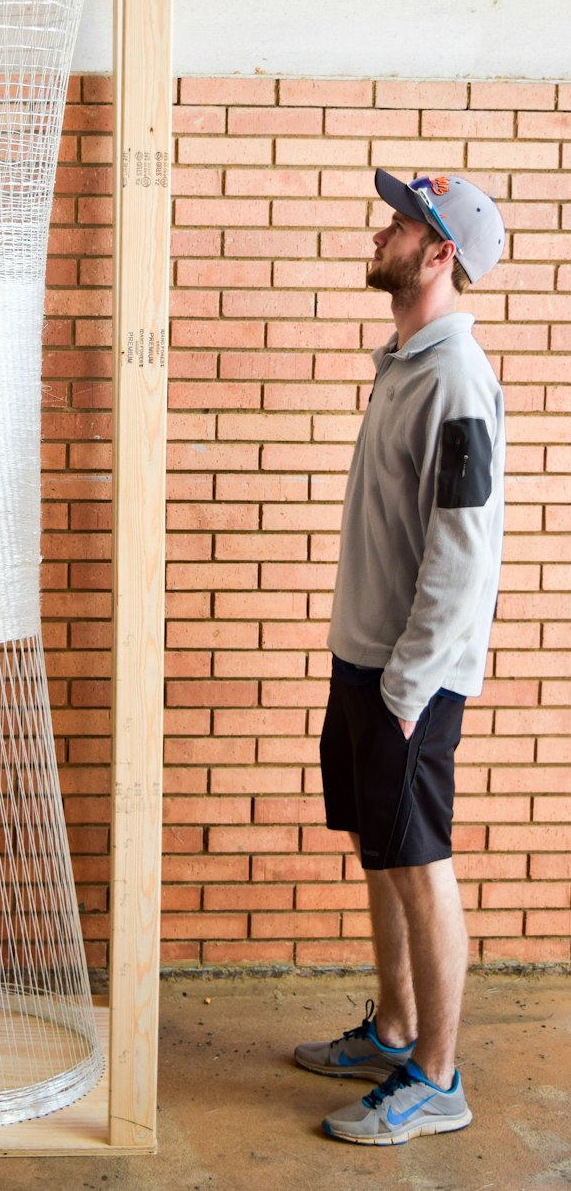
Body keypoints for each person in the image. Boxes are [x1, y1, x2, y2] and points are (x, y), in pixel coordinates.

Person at [295, 169, 506, 1146]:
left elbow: (462, 553)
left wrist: (410, 684)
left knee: (419, 864)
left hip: (407, 679)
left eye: (400, 223)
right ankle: (392, 1029)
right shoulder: (405, 362)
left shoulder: (457, 379)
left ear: (438, 253)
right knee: (380, 852)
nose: (381, 231)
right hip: (366, 661)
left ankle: (437, 1076)